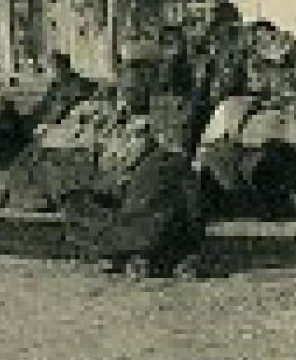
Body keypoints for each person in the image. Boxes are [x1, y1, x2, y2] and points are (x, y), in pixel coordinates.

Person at [58, 113, 205, 277]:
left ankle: (131, 257)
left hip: (136, 233)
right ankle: (167, 260)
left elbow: (115, 196)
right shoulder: (181, 166)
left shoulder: (144, 165)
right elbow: (194, 210)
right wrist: (194, 246)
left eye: (133, 137)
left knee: (77, 204)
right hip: (170, 236)